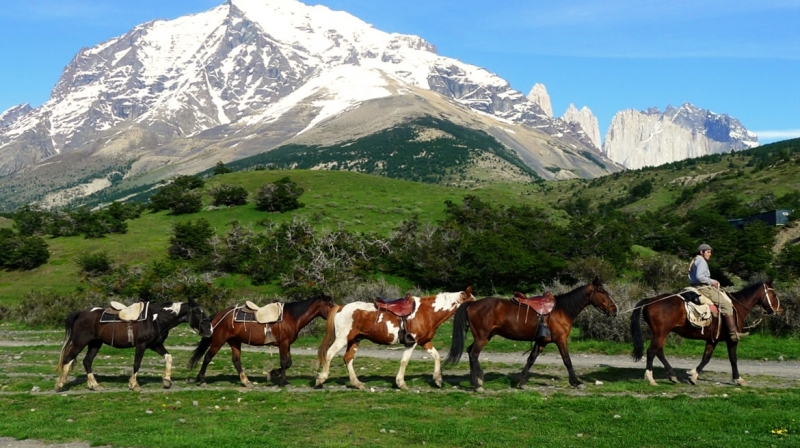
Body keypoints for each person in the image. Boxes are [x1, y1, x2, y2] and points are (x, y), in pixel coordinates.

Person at [688, 243, 747, 341]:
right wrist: (713, 281)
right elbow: (700, 277)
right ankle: (733, 333)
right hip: (704, 288)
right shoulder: (701, 261)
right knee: (726, 304)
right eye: (708, 252)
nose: (710, 254)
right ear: (701, 252)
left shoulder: (694, 260)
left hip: (694, 286)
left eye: (710, 252)